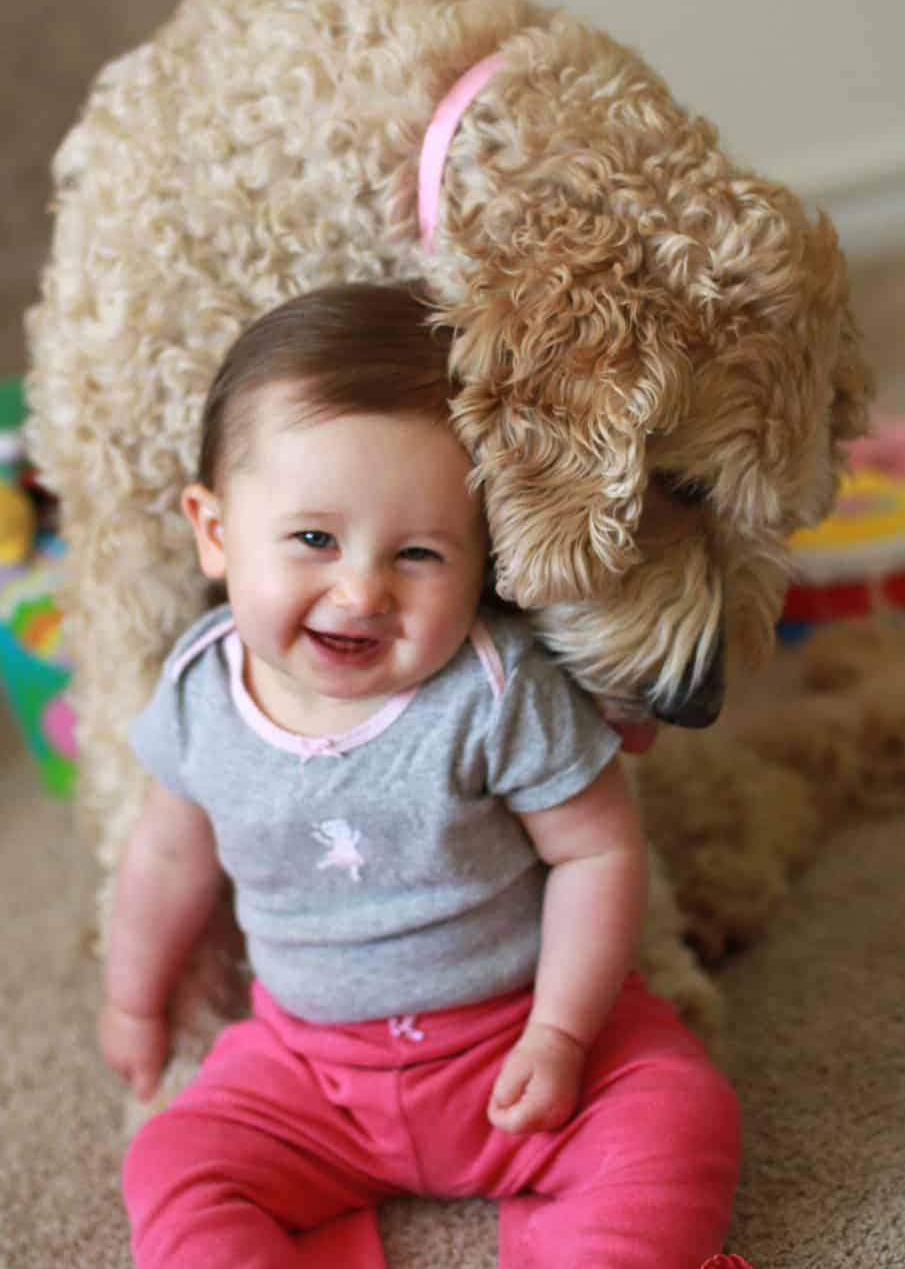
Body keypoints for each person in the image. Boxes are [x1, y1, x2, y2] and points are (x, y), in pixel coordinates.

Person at [99, 283, 747, 1269]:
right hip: (305, 1068)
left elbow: (595, 848)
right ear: (217, 531)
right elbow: (163, 855)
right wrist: (134, 1002)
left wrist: (563, 1033)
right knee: (172, 1165)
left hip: (514, 1039)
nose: (360, 591)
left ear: (478, 560)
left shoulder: (494, 688)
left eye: (416, 553)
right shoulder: (197, 692)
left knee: (676, 1112)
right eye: (313, 539)